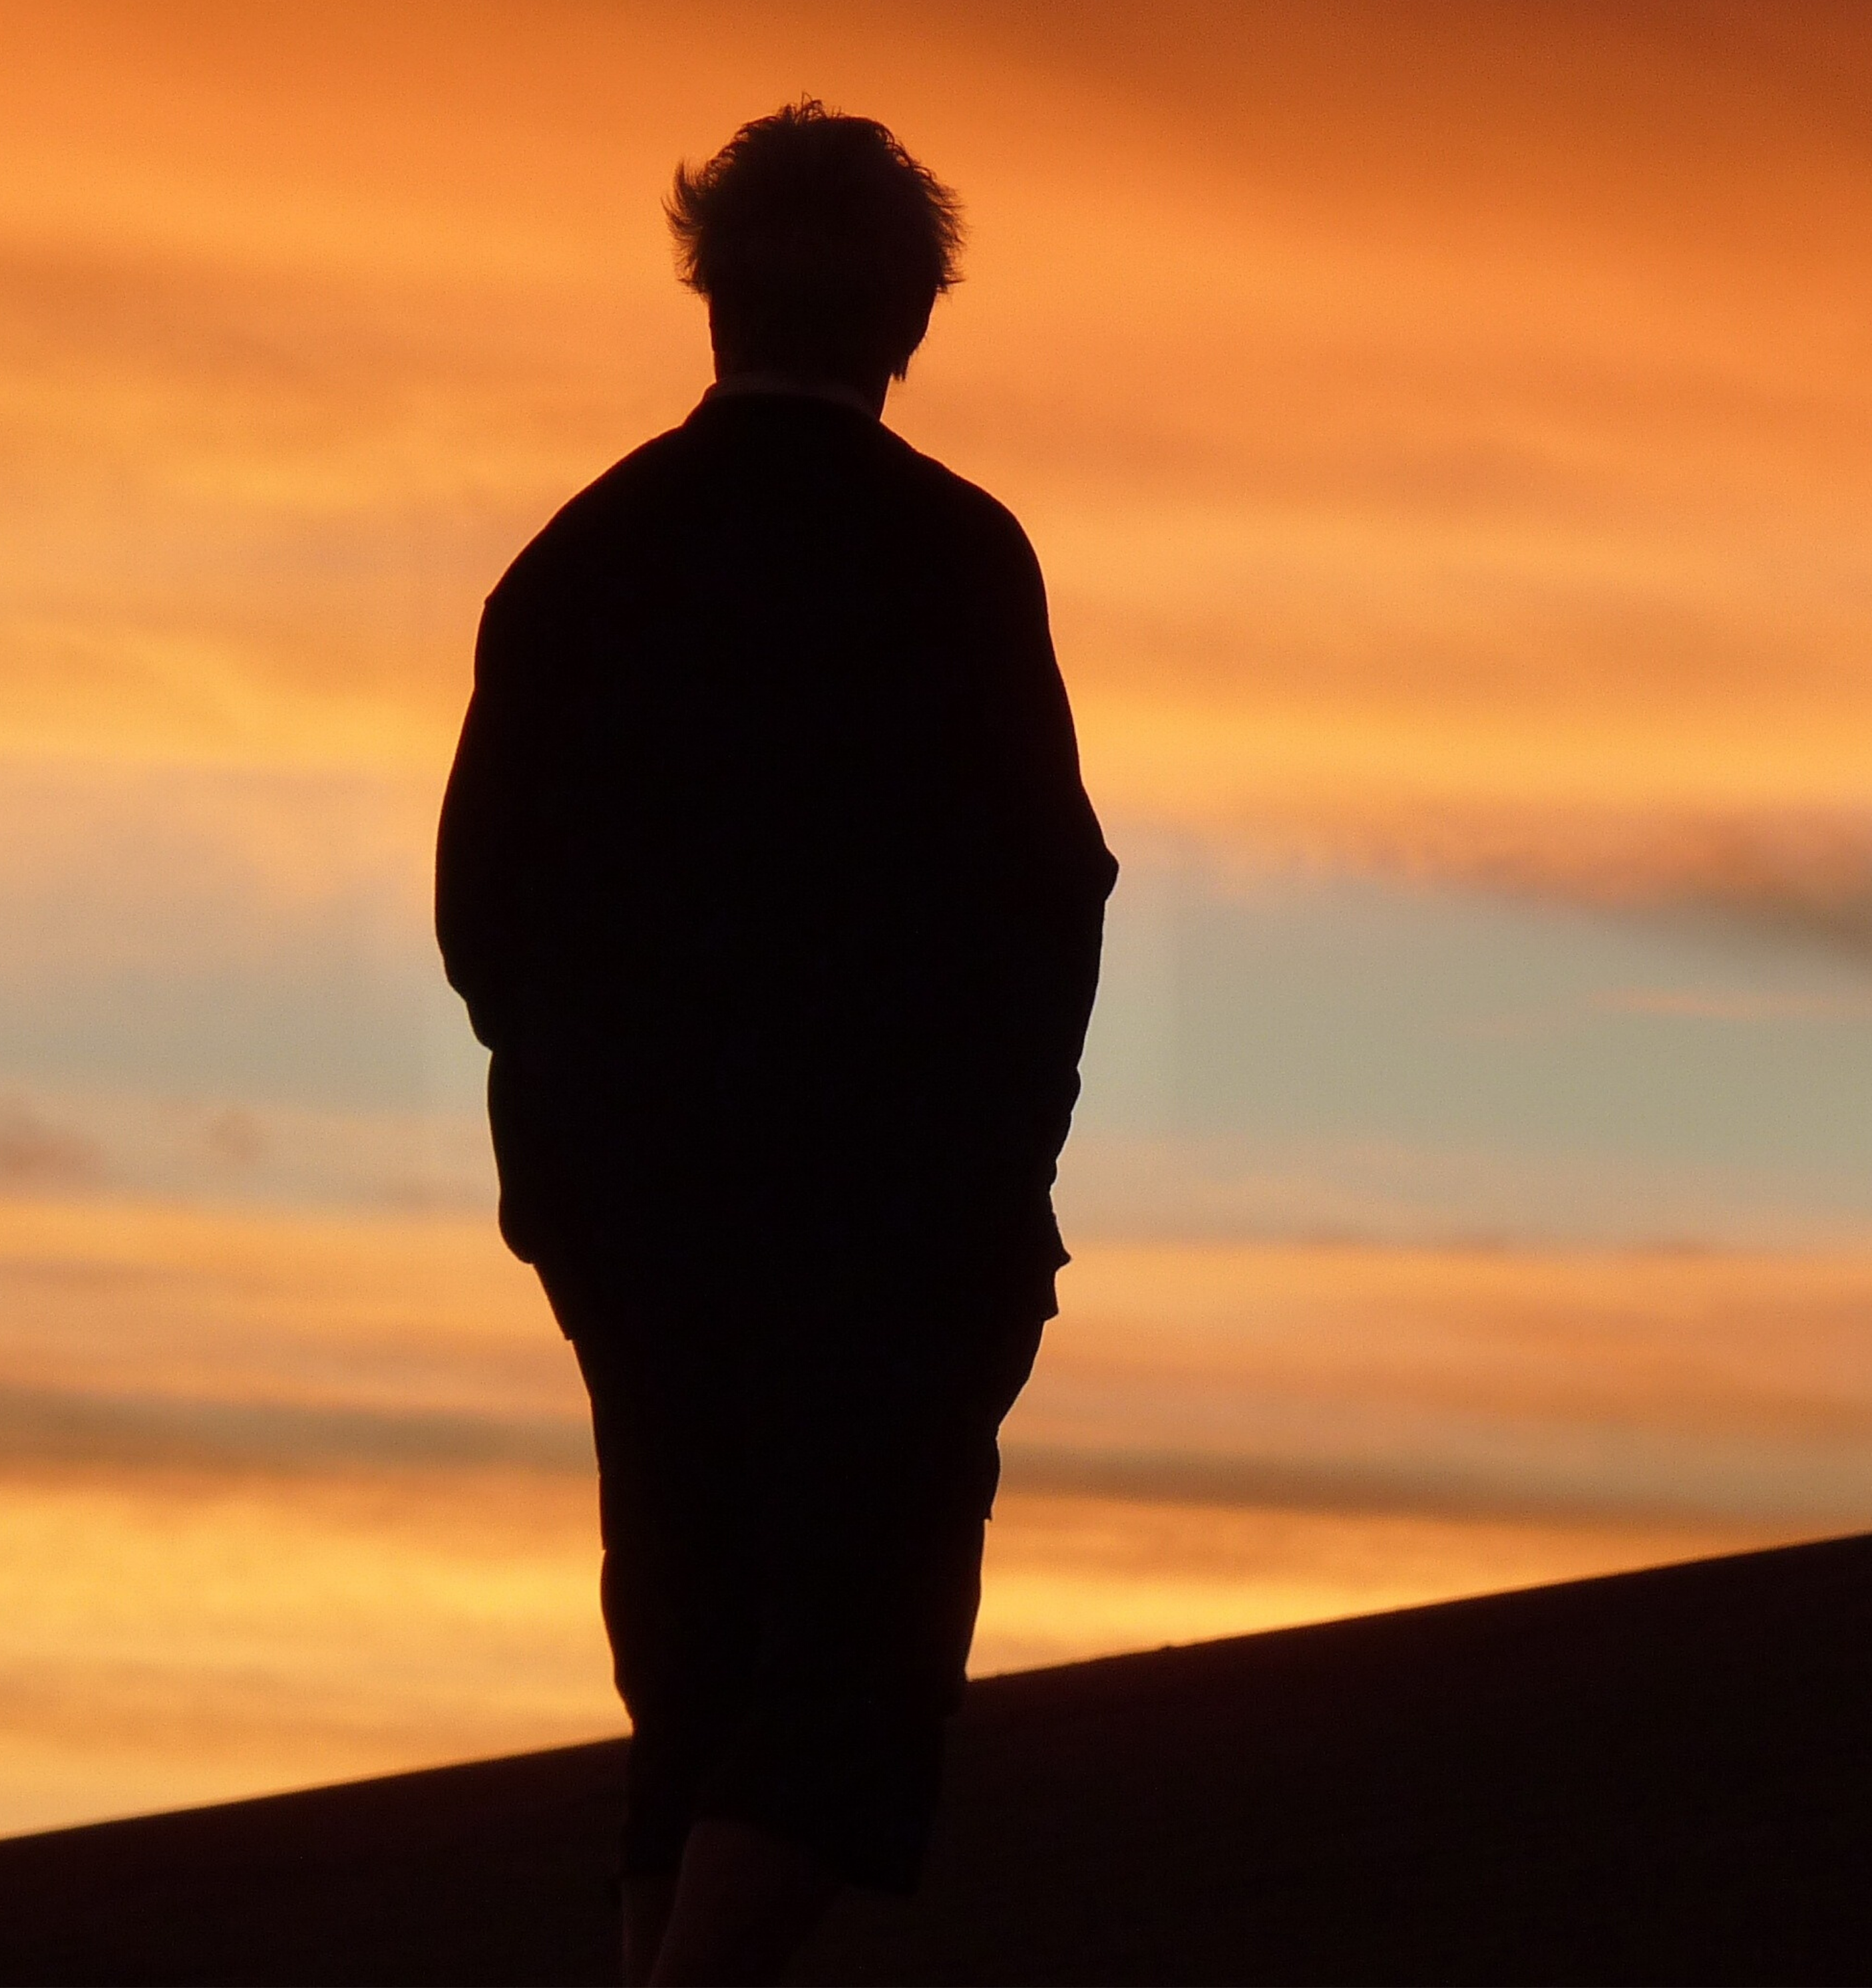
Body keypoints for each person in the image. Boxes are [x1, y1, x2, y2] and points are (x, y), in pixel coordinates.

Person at [435, 102, 1115, 1987]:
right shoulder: (951, 561)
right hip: (888, 1224)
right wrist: (1002, 1171)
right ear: (910, 314)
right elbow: (1042, 889)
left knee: (701, 1665)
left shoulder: (580, 566)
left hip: (641, 1219)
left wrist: (594, 1135)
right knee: (842, 1681)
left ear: (709, 292)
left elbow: (482, 916)